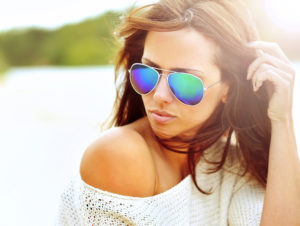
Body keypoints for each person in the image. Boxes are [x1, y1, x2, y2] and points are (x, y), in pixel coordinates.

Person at [57, 0, 300, 225]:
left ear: (229, 88)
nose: (159, 96)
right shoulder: (120, 154)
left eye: (185, 82)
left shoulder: (233, 164)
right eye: (148, 73)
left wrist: (282, 119)